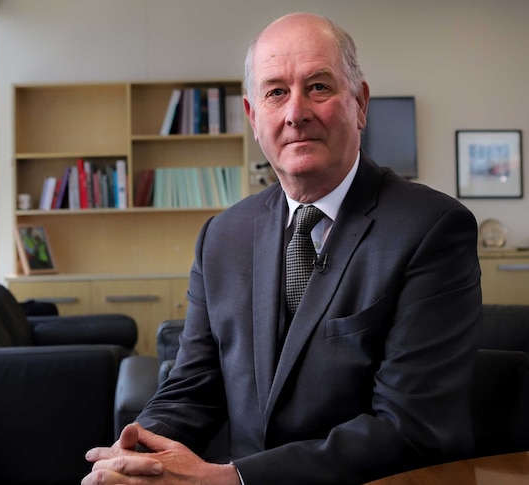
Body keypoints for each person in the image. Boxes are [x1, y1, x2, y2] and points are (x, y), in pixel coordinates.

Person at [82, 12, 482, 485]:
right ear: (254, 117)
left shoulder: (432, 229)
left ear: (360, 103)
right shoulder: (222, 237)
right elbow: (192, 387)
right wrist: (135, 456)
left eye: (318, 87)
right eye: (276, 92)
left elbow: (411, 428)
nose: (296, 112)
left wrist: (234, 479)